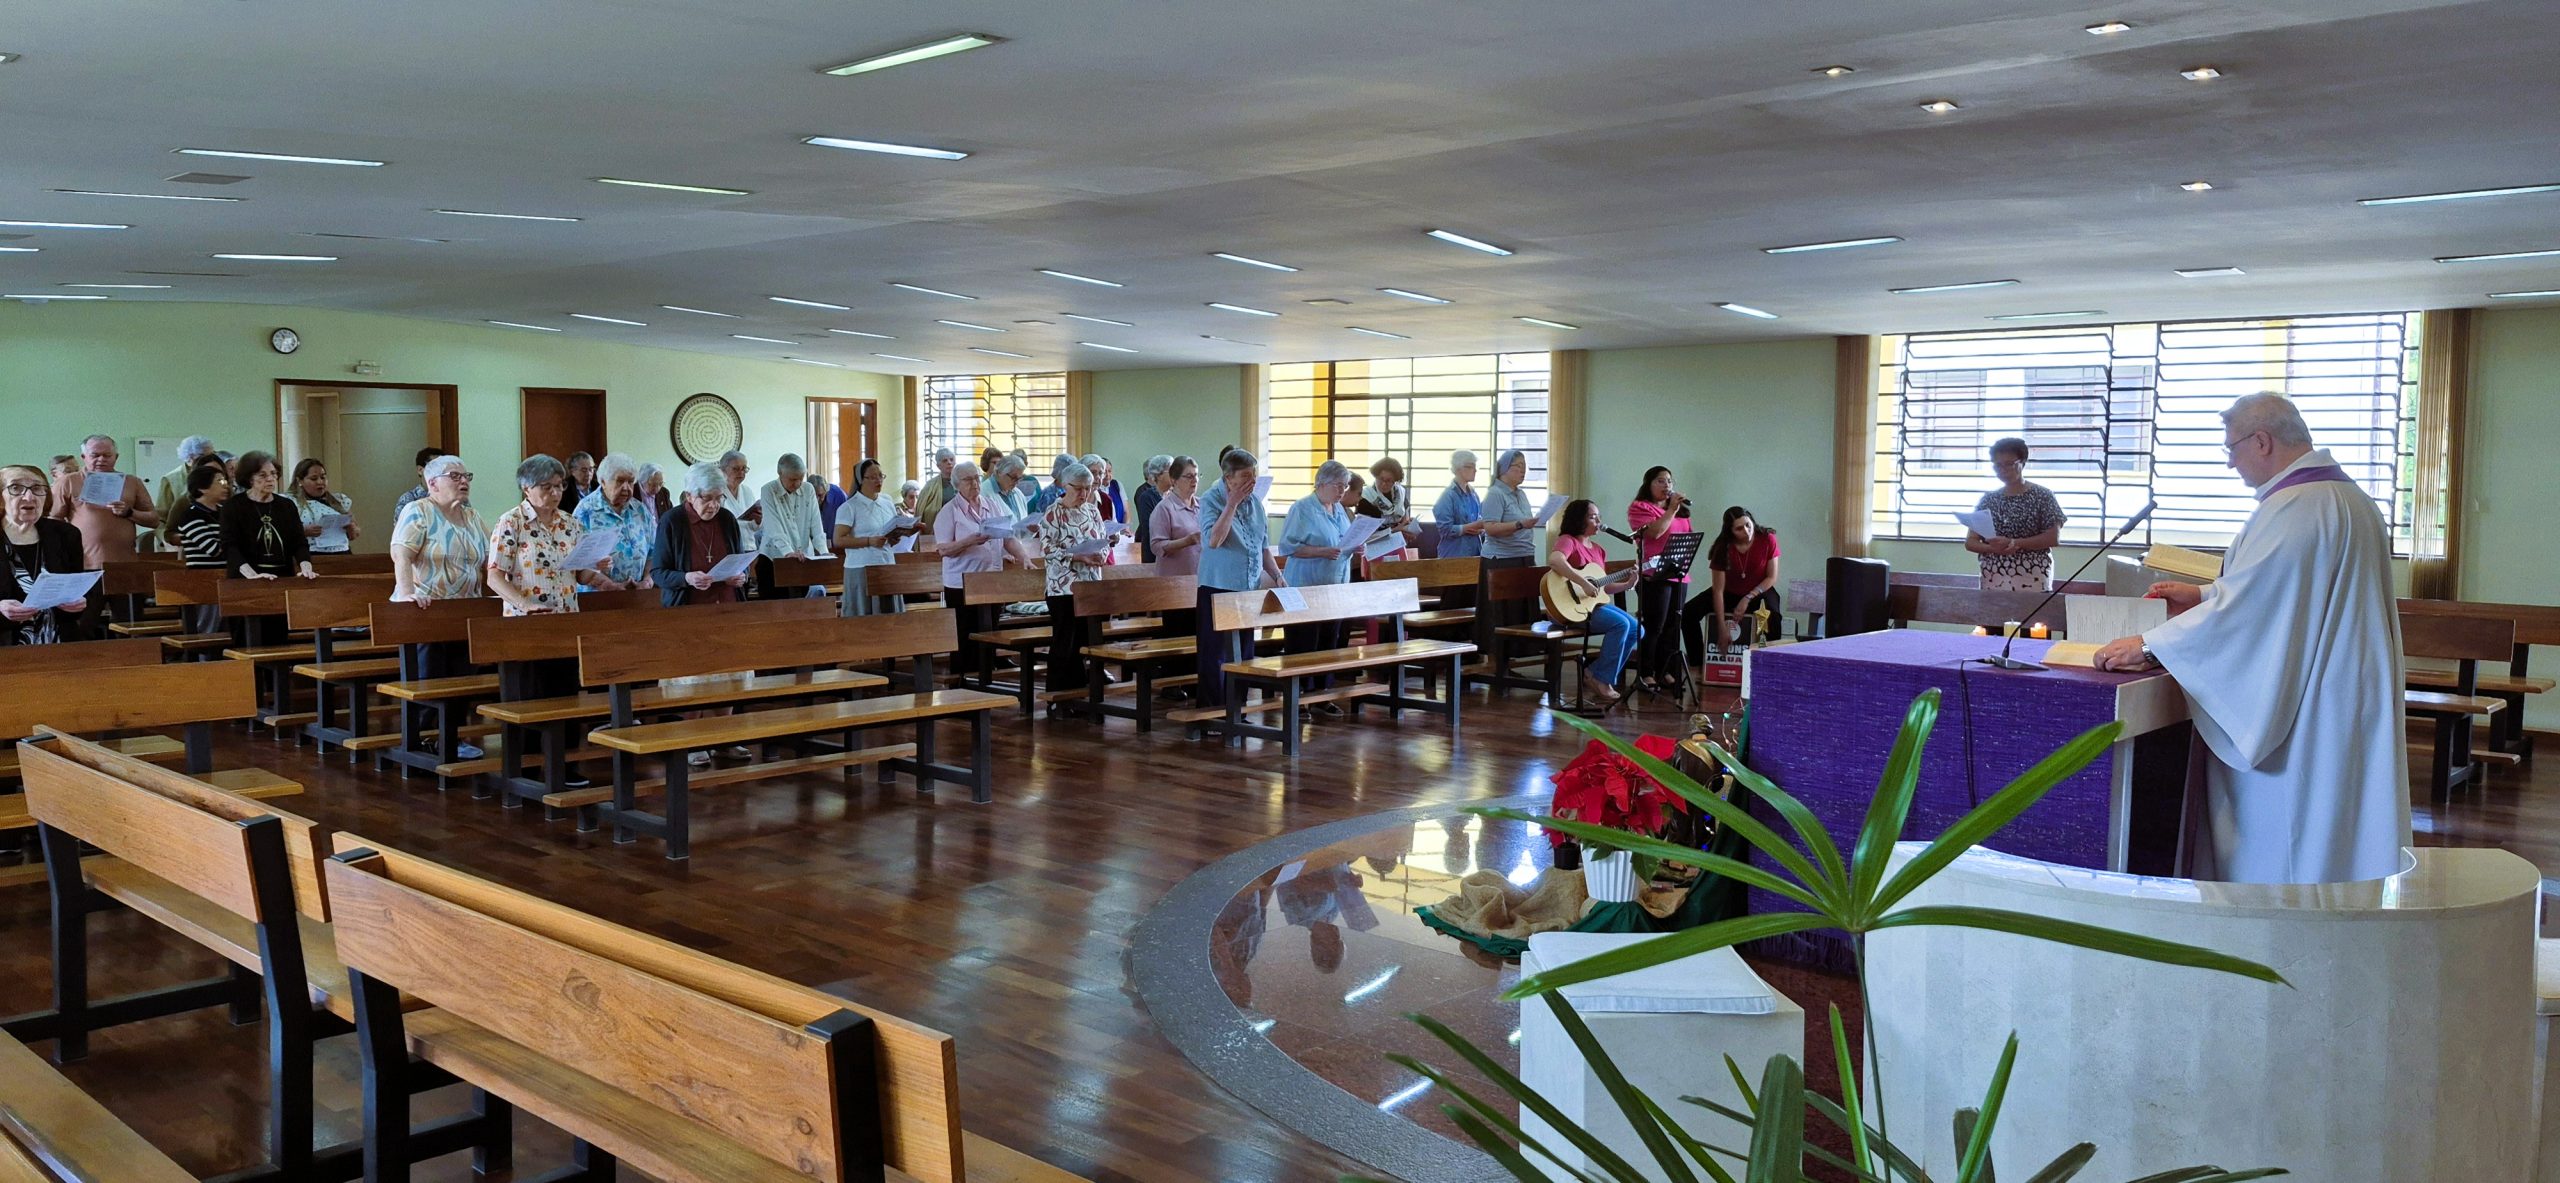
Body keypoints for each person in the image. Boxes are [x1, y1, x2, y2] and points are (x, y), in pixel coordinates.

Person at [2092, 393, 2410, 884]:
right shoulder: (2347, 499)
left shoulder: (2296, 507)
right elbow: (2280, 595)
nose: (2230, 461)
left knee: (2292, 832)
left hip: (2309, 706)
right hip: (2343, 688)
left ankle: (2280, 922)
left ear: (2261, 441)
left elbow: (2258, 610)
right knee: (2338, 827)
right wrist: (2205, 595)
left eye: (2232, 448)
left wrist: (2152, 644)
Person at [1195, 448, 1284, 708]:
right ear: (1228, 478)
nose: (1252, 481)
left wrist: (1277, 576)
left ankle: (1238, 708)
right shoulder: (1211, 499)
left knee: (1244, 653)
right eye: (1246, 476)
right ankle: (1213, 711)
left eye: (1254, 475)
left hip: (1248, 587)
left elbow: (1262, 546)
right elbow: (1214, 540)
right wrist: (1231, 504)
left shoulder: (1255, 503)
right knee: (1215, 653)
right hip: (1218, 586)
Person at [48, 436, 156, 626]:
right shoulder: (69, 481)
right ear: (84, 456)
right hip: (84, 566)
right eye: (95, 455)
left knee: (131, 624)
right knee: (84, 624)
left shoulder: (132, 482)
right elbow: (53, 520)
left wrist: (129, 512)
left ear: (116, 457)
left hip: (125, 566)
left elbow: (154, 520)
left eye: (107, 455)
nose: (101, 460)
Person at [1026, 461, 1114, 692]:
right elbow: (1047, 549)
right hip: (1063, 587)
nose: (1084, 493)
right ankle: (1057, 693)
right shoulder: (1053, 513)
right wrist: (1077, 557)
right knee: (1066, 641)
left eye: (1088, 488)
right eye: (1079, 488)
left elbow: (1103, 539)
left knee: (1086, 639)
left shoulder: (1092, 510)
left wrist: (1101, 554)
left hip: (1090, 584)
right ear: (1066, 486)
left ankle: (1082, 689)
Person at [1550, 499, 1644, 706]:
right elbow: (1556, 560)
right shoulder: (1569, 540)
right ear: (1579, 520)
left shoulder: (1599, 550)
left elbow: (1600, 589)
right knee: (1621, 624)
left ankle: (1596, 673)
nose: (1599, 521)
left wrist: (1629, 583)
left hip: (1593, 606)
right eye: (1593, 517)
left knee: (1638, 628)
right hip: (1569, 607)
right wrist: (1582, 582)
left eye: (1598, 516)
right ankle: (1600, 679)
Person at [1281, 461, 1357, 714]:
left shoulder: (1340, 511)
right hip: (1306, 585)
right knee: (1304, 641)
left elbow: (1343, 542)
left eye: (1345, 487)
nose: (1342, 491)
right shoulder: (1302, 509)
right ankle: (1298, 697)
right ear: (1321, 483)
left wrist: (1356, 547)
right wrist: (1323, 551)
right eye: (1338, 485)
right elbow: (1288, 547)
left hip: (1334, 587)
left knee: (1328, 641)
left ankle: (1322, 694)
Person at [486, 455, 600, 622]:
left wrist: (596, 562)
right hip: (527, 619)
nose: (555, 492)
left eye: (559, 485)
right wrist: (525, 605)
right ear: (526, 488)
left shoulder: (571, 523)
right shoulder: (511, 522)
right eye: (546, 487)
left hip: (567, 616)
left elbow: (581, 577)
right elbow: (494, 577)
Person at [932, 461, 1015, 680]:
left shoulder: (992, 505)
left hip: (990, 580)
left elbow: (1007, 536)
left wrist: (1022, 556)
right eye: (968, 480)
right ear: (957, 485)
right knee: (965, 634)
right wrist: (969, 541)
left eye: (977, 478)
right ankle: (964, 681)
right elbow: (943, 550)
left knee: (990, 631)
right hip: (961, 583)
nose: (975, 483)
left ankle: (987, 675)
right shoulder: (948, 512)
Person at [1, 464, 90, 646]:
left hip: (58, 643)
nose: (29, 496)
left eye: (37, 488)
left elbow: (75, 589)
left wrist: (77, 603)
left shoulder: (66, 534)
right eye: (16, 488)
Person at [1965, 437, 2068, 592]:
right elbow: (1971, 542)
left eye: (2009, 464)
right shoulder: (1988, 500)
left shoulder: (2042, 495)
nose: (2003, 470)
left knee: (2031, 615)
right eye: (1997, 465)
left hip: (2032, 575)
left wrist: (2013, 542)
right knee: (1994, 615)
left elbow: (2053, 538)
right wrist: (1993, 549)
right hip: (1993, 576)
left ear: (2023, 462)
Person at [1625, 465, 1695, 692]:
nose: (1667, 486)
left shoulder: (1680, 510)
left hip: (1677, 573)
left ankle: (1666, 670)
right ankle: (1646, 672)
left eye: (1669, 482)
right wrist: (1671, 510)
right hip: (1653, 575)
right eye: (1661, 481)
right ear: (1648, 484)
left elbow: (1686, 536)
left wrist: (1675, 509)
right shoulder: (1640, 507)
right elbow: (1654, 533)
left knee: (1673, 625)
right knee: (1655, 624)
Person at [651, 462, 750, 609]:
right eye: (707, 498)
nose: (714, 505)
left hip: (728, 606)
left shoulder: (727, 519)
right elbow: (658, 573)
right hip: (688, 610)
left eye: (719, 498)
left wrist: (741, 575)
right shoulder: (671, 521)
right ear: (689, 496)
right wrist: (687, 578)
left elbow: (741, 562)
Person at [220, 451, 316, 599]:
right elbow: (230, 547)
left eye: (273, 474)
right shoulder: (234, 506)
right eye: (262, 475)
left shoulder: (286, 506)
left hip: (283, 579)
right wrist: (252, 576)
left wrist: (306, 568)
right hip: (245, 581)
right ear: (249, 478)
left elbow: (299, 542)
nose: (270, 479)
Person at [1687, 506, 1780, 656]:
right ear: (1730, 531)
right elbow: (1718, 591)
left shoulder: (1767, 538)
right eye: (1739, 529)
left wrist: (1747, 598)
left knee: (1773, 614)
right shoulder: (1722, 548)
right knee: (1688, 613)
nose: (1746, 531)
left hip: (1759, 591)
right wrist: (1722, 629)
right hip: (1728, 592)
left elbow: (1771, 577)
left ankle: (1770, 662)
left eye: (1748, 525)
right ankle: (1698, 663)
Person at [832, 459, 914, 616]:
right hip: (861, 568)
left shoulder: (887, 501)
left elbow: (889, 529)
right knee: (865, 618)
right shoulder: (849, 507)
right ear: (861, 480)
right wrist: (869, 541)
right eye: (873, 477)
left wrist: (895, 537)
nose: (879, 480)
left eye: (881, 476)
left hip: (886, 564)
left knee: (890, 618)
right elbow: (839, 540)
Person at [571, 453, 655, 593]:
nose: (626, 488)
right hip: (599, 598)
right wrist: (608, 585)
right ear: (603, 482)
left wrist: (647, 581)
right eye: (620, 481)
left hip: (637, 595)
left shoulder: (640, 510)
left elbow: (653, 553)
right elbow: (578, 563)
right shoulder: (585, 511)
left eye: (630, 482)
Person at [167, 463, 232, 637]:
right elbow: (214, 549)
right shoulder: (191, 515)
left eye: (225, 480)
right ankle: (206, 662)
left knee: (231, 629)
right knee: (209, 629)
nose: (225, 485)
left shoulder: (225, 512)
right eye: (219, 481)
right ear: (202, 488)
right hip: (205, 579)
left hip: (227, 577)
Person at [1148, 455, 1204, 642]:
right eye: (1188, 476)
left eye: (1196, 475)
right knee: (1179, 638)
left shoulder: (1202, 506)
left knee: (1198, 638)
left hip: (1199, 581)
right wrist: (1187, 541)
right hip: (1174, 585)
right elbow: (1157, 546)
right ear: (1174, 480)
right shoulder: (1165, 508)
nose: (1194, 480)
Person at [757, 452, 830, 561]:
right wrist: (788, 552)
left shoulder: (808, 489)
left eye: (801, 478)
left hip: (803, 555)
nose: (797, 484)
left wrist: (824, 552)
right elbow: (773, 526)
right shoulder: (768, 490)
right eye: (792, 479)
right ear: (780, 473)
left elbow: (816, 524)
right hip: (774, 555)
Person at [289, 458, 359, 556]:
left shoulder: (339, 500)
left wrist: (352, 529)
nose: (320, 482)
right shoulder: (290, 502)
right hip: (310, 554)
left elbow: (354, 533)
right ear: (300, 481)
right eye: (314, 479)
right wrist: (303, 531)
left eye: (323, 477)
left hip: (342, 553)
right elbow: (280, 532)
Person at [1361, 457, 1422, 564]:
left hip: (1398, 544)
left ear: (1395, 481)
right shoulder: (1366, 497)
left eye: (1389, 481)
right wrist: (1395, 530)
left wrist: (1408, 529)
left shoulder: (1401, 492)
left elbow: (1406, 517)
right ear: (1375, 476)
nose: (1384, 484)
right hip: (1375, 548)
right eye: (1381, 479)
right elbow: (1365, 533)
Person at [1433, 449, 1487, 560]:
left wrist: (1481, 528)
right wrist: (1468, 527)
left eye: (1475, 466)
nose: (1475, 470)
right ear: (1458, 469)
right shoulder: (1448, 496)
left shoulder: (1473, 494)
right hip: (1454, 555)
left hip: (1475, 553)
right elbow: (1445, 529)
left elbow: (1479, 519)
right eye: (1470, 466)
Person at [156, 434, 216, 526]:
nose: (212, 460)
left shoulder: (216, 474)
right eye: (207, 457)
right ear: (192, 457)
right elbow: (161, 517)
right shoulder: (171, 479)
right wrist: (170, 537)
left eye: (213, 455)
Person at [718, 450, 762, 553]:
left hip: (749, 547)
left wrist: (758, 521)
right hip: (727, 548)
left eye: (744, 469)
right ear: (722, 470)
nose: (741, 473)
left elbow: (753, 527)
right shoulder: (717, 492)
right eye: (736, 469)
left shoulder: (747, 491)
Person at [1133, 455, 1173, 562]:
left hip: (1174, 553)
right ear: (1159, 475)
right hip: (1154, 555)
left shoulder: (1175, 495)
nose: (1175, 475)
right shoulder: (1147, 497)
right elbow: (1150, 528)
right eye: (1171, 471)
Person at [391, 446, 445, 520]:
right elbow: (403, 529)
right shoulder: (409, 499)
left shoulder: (453, 496)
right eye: (435, 467)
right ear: (420, 470)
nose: (440, 472)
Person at [915, 448, 958, 526]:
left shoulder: (963, 481)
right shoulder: (930, 486)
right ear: (938, 465)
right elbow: (921, 510)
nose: (949, 462)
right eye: (945, 461)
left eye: (951, 459)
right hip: (939, 527)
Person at [1084, 454, 1126, 525]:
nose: (1097, 477)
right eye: (1093, 473)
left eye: (1100, 473)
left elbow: (1114, 527)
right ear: (1082, 473)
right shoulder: (1068, 500)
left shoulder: (1106, 499)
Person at [989, 455, 1033, 520]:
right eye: (1014, 478)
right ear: (999, 473)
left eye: (1019, 478)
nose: (1017, 483)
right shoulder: (984, 493)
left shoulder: (1018, 493)